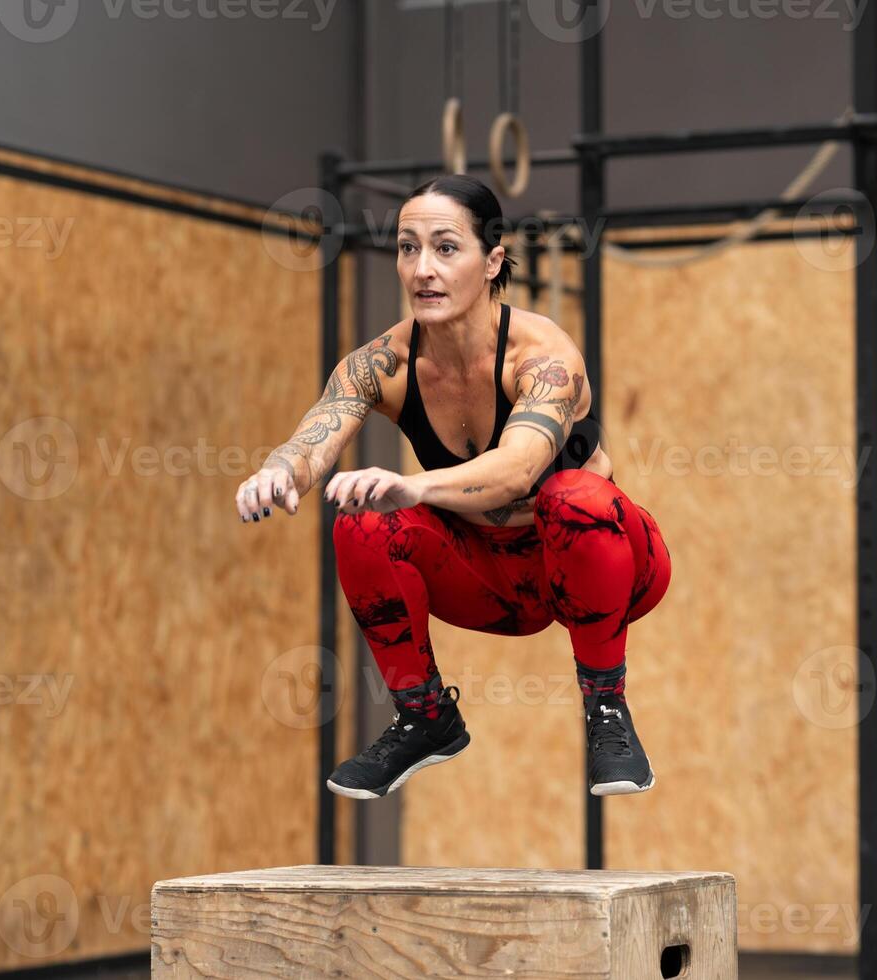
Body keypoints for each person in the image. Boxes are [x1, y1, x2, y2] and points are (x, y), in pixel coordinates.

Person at [234, 174, 671, 800]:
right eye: (408, 249)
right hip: (491, 584)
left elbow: (521, 468)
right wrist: (278, 471)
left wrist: (414, 487)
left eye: (445, 248)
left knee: (572, 495)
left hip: (601, 569)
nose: (423, 270)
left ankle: (607, 708)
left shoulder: (543, 354)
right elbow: (314, 441)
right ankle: (424, 716)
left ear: (492, 261)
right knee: (359, 522)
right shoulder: (380, 363)